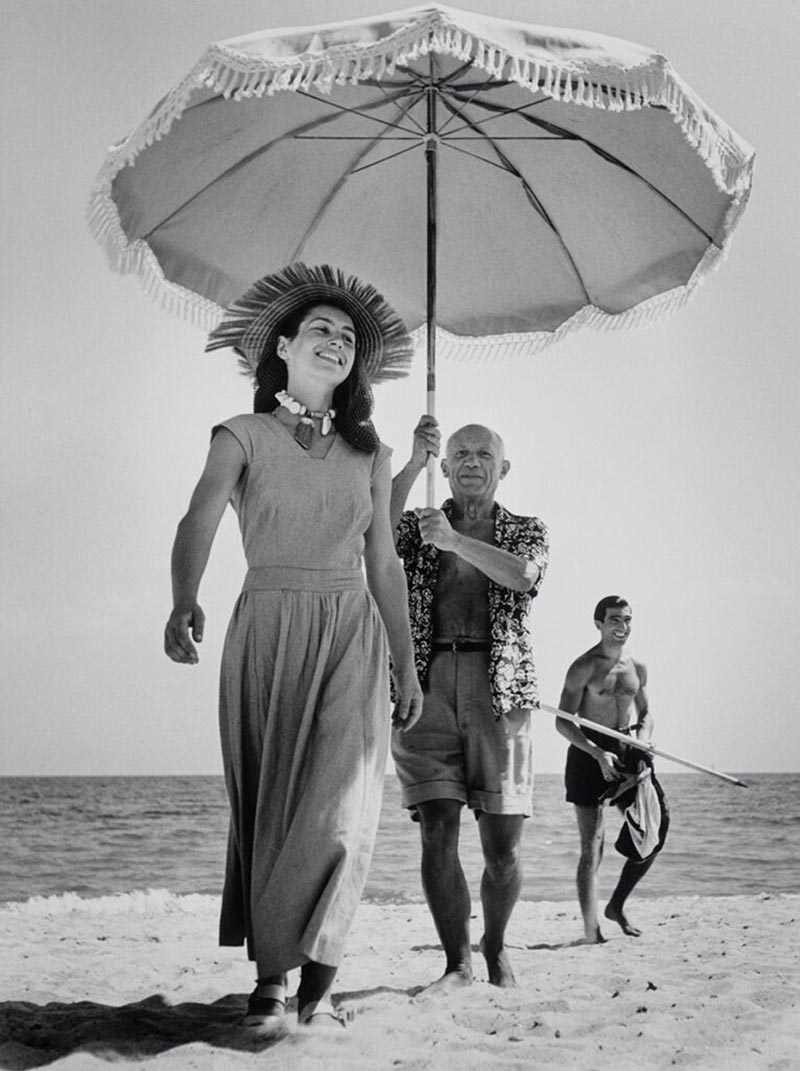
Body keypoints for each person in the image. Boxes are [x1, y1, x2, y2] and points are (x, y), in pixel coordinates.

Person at [164, 263, 423, 1031]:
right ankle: (272, 976)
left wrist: (406, 662)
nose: (336, 342)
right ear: (282, 345)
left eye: (348, 337)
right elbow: (199, 519)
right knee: (276, 806)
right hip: (269, 625)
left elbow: (383, 562)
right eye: (321, 329)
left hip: (351, 630)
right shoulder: (240, 435)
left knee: (343, 811)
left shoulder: (371, 455)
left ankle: (320, 977)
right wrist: (184, 597)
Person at [390, 415, 549, 991]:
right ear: (446, 466)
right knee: (436, 827)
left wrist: (455, 541)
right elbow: (372, 533)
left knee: (502, 844)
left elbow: (523, 578)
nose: (472, 462)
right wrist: (411, 463)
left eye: (484, 454)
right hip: (425, 682)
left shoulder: (526, 528)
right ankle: (456, 961)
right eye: (459, 454)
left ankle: (496, 946)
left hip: (499, 687)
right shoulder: (420, 525)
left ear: (503, 468)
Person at [557, 595, 669, 944]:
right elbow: (563, 723)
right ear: (599, 624)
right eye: (614, 620)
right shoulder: (584, 667)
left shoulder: (637, 667)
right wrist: (595, 752)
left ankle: (616, 905)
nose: (622, 627)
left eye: (627, 620)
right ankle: (592, 931)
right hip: (589, 753)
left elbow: (646, 713)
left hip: (628, 748)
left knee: (654, 832)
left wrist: (644, 738)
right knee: (593, 845)